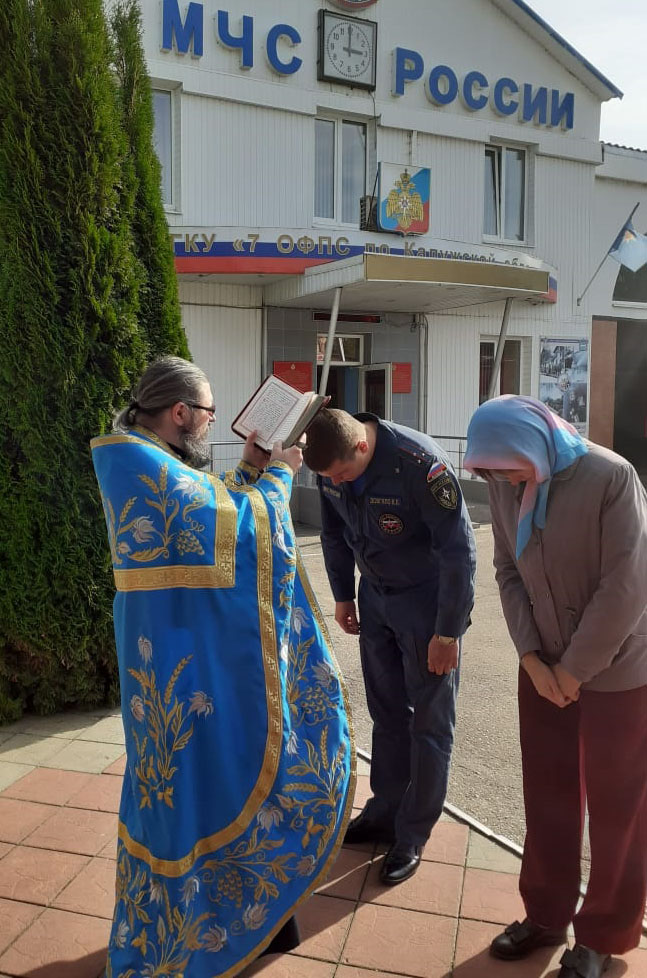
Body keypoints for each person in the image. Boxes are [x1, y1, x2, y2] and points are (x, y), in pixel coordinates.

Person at [91, 357, 354, 978]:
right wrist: (281, 476)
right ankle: (185, 938)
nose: (213, 423)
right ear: (180, 412)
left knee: (194, 786)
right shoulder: (138, 461)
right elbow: (240, 532)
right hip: (186, 665)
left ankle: (228, 919)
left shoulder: (146, 456)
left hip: (180, 655)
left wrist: (252, 470)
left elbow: (211, 522)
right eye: (209, 413)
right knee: (193, 788)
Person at [464, 394, 647, 978]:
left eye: (509, 470)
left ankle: (602, 935)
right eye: (491, 473)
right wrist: (532, 659)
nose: (504, 483)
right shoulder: (504, 481)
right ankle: (546, 913)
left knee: (619, 808)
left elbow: (626, 586)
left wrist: (573, 671)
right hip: (542, 668)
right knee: (548, 796)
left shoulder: (611, 478)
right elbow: (507, 570)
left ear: (534, 443)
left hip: (619, 671)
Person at [303, 408, 476, 885]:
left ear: (362, 446)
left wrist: (448, 632)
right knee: (386, 712)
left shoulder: (420, 465)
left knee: (430, 723)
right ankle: (385, 810)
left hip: (425, 605)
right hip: (375, 599)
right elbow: (333, 533)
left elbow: (460, 551)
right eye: (328, 478)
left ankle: (413, 832)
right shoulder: (330, 462)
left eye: (341, 475)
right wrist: (343, 594)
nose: (335, 483)